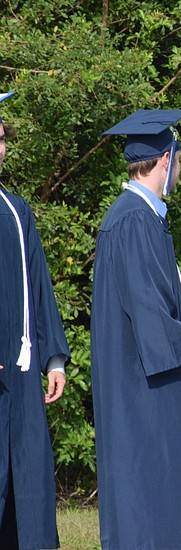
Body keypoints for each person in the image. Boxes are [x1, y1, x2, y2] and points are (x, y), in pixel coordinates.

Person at [92, 109, 181, 550]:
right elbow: (147, 309)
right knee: (147, 506)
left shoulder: (143, 217)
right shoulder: (133, 220)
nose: (179, 168)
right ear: (166, 159)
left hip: (143, 388)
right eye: (178, 160)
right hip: (142, 395)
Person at [0, 92, 70, 549]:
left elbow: (39, 289)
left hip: (21, 376)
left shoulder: (15, 209)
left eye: (1, 137)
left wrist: (54, 358)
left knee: (26, 495)